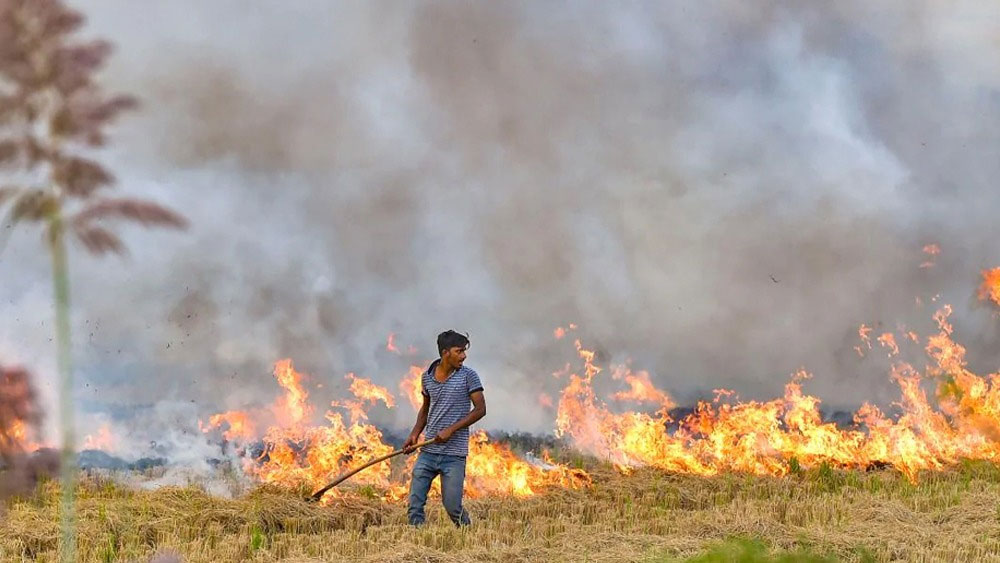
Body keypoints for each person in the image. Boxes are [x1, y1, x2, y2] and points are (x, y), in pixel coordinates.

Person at [402, 330, 486, 526]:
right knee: (415, 504)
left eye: (464, 351)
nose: (463, 356)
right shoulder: (427, 377)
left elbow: (481, 409)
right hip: (428, 451)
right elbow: (425, 410)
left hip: (454, 455)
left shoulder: (468, 376)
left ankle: (468, 536)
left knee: (453, 507)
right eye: (459, 351)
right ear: (445, 352)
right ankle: (416, 543)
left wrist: (452, 429)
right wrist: (414, 435)